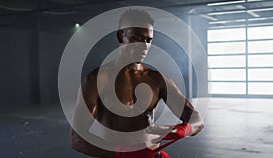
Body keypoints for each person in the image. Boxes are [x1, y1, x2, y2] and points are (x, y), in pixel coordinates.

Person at [70, 9, 204, 158]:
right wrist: (123, 154)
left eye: (149, 40)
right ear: (121, 36)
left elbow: (197, 120)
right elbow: (77, 139)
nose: (144, 45)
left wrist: (183, 130)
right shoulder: (97, 80)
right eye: (137, 38)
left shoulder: (157, 80)